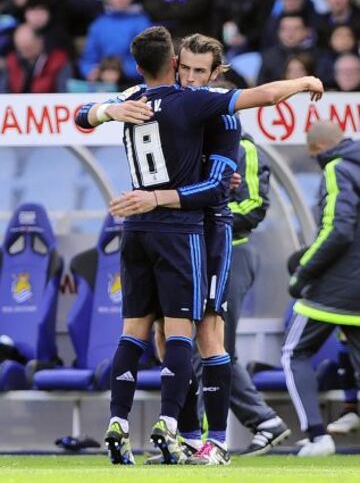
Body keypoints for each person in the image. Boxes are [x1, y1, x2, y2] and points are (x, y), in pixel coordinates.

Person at [76, 25, 323, 466]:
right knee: (163, 338)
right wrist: (108, 111)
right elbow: (83, 112)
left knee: (208, 334)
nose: (190, 77)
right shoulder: (158, 98)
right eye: (185, 68)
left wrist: (155, 196)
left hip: (209, 233)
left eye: (200, 71)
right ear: (174, 64)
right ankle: (186, 436)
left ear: (215, 72)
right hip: (170, 228)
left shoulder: (222, 113)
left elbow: (215, 187)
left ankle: (218, 442)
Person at [282, 119, 360, 457]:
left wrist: (303, 271)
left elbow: (337, 230)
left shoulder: (337, 167)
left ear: (319, 150)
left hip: (335, 286)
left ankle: (317, 437)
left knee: (293, 353)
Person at [0, 23, 71, 93]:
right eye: (20, 48)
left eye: (28, 47)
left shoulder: (58, 60)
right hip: (17, 103)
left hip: (49, 102)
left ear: (40, 41)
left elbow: (64, 91)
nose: (24, 51)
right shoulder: (11, 61)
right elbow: (3, 91)